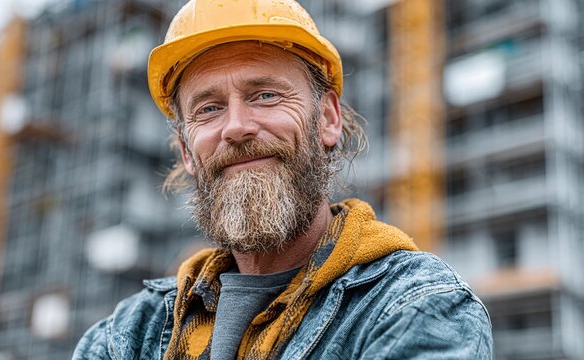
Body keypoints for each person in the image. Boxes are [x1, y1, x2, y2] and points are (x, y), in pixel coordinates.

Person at [73, 0, 493, 359]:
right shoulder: (128, 335)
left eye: (265, 95)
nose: (236, 127)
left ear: (327, 119)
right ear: (186, 153)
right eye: (208, 108)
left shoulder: (415, 307)